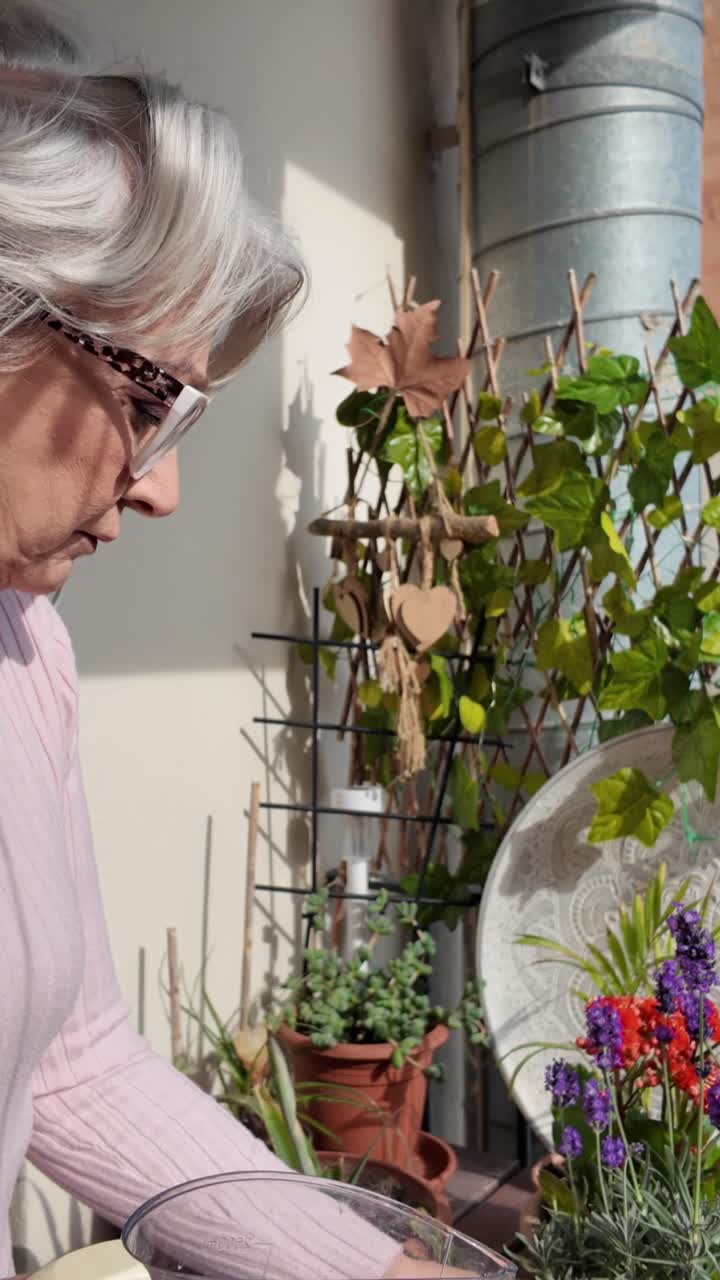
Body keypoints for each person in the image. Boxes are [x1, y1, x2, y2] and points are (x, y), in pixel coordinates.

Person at [0, 4, 461, 1277]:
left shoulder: (28, 655)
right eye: (150, 399)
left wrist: (381, 1268)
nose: (160, 489)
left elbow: (72, 1055)